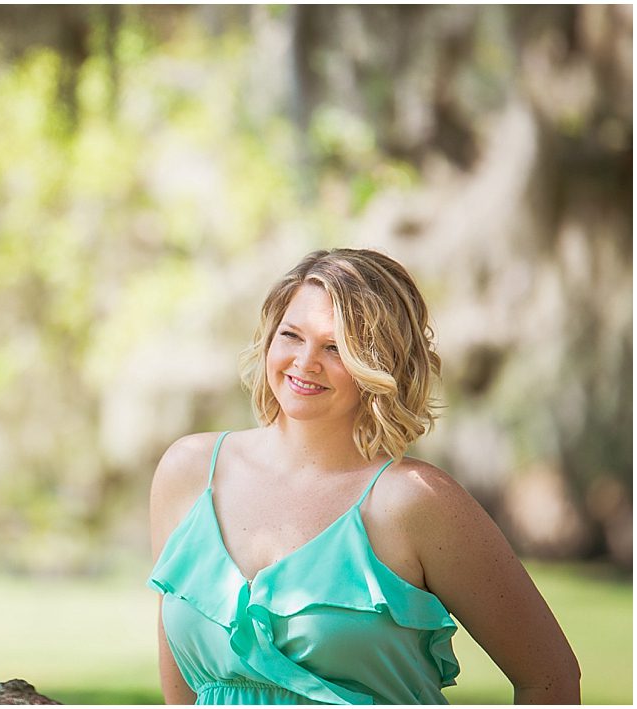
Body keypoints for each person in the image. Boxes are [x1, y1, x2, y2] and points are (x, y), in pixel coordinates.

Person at [147, 248, 580, 705]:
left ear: (379, 364)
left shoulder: (415, 502)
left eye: (335, 347)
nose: (305, 362)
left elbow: (550, 677)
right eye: (291, 335)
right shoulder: (189, 472)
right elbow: (183, 696)